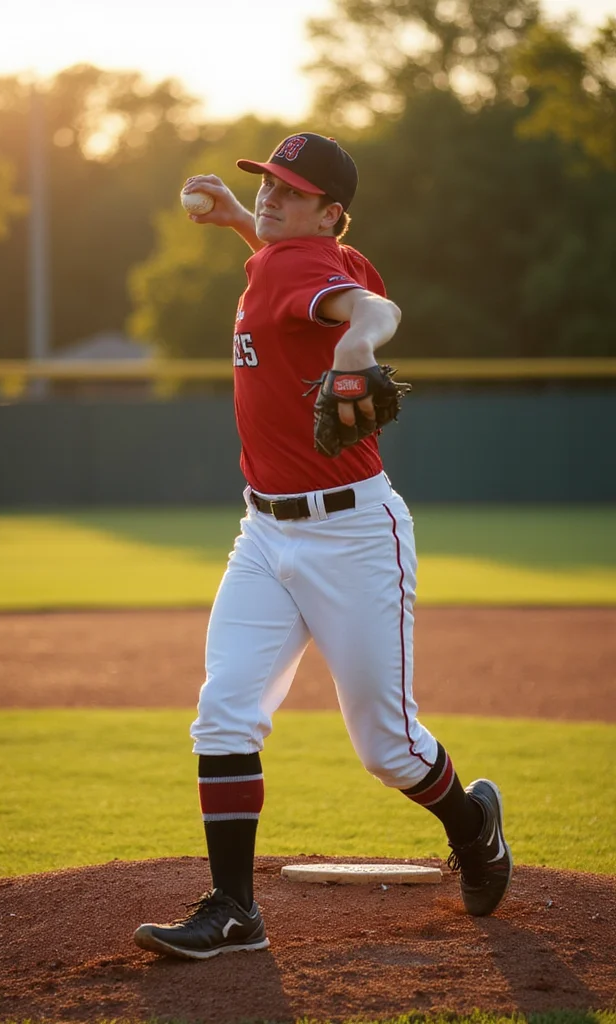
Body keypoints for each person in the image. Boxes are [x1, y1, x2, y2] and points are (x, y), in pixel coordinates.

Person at [134, 133, 512, 961]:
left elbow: (373, 310)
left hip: (351, 537)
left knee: (391, 748)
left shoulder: (308, 268)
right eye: (269, 180)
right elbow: (308, 271)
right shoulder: (292, 256)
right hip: (265, 533)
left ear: (331, 213)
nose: (272, 194)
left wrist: (356, 342)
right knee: (225, 711)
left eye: (291, 190)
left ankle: (473, 822)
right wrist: (242, 220)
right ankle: (234, 909)